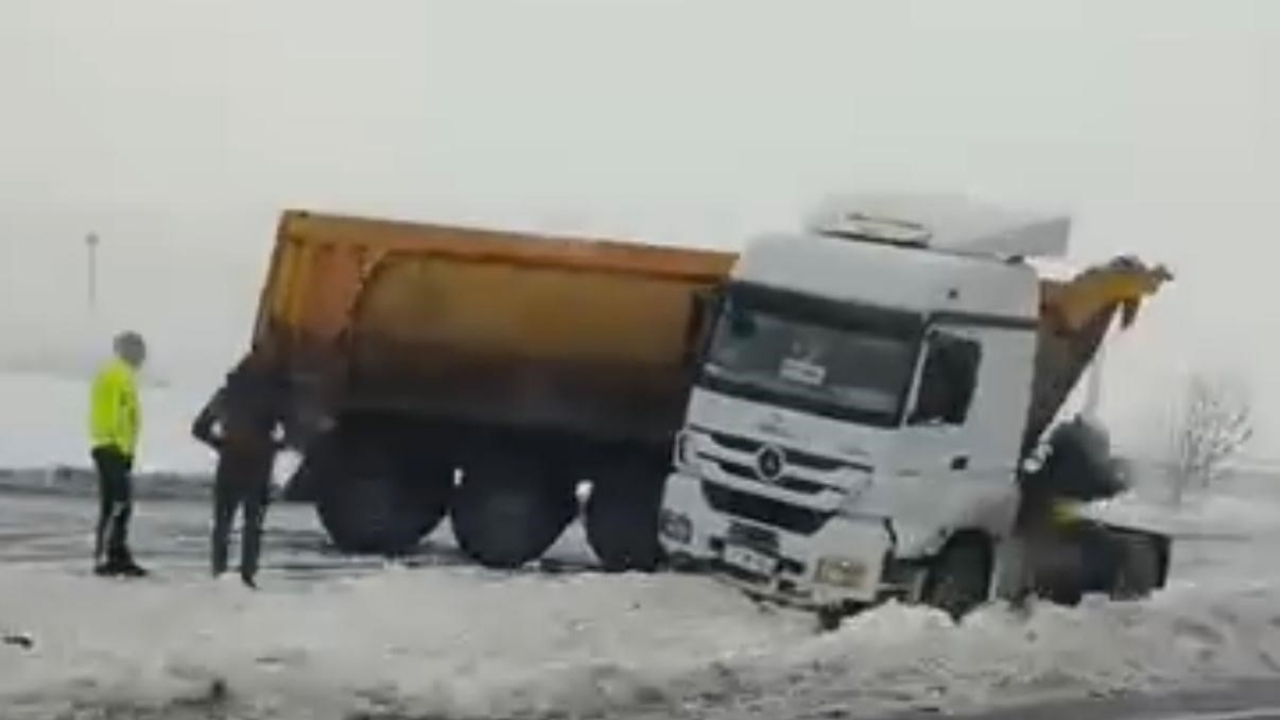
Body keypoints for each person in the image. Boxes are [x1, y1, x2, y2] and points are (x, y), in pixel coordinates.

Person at [191, 344, 291, 589]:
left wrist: (222, 444)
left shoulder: (228, 393)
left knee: (223, 522)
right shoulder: (274, 395)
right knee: (252, 525)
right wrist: (272, 447)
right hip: (258, 466)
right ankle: (247, 575)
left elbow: (199, 427)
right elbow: (290, 433)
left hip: (230, 462)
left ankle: (219, 571)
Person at [89, 331, 148, 577]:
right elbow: (115, 413)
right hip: (112, 447)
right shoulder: (117, 375)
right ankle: (109, 555)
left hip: (113, 447)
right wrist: (117, 444)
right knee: (117, 504)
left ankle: (116, 552)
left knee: (117, 503)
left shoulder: (119, 374)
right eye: (139, 352)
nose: (142, 358)